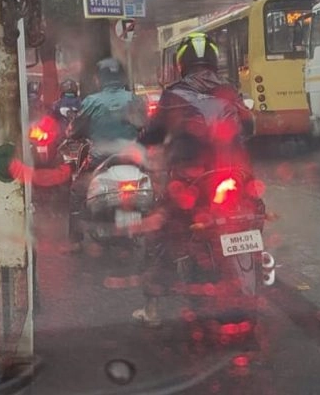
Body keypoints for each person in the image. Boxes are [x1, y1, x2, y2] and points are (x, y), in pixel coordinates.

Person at [134, 32, 255, 327]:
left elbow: (152, 134)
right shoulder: (229, 89)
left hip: (191, 182)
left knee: (159, 234)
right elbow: (250, 126)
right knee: (253, 212)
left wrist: (142, 141)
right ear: (213, 60)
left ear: (181, 63)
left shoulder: (173, 94)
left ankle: (152, 311)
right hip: (234, 177)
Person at [66, 58, 147, 243]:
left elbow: (74, 130)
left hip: (98, 161)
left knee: (77, 192)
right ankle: (157, 245)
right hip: (133, 160)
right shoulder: (135, 99)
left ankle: (75, 241)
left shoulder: (92, 102)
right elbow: (145, 126)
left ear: (99, 79)